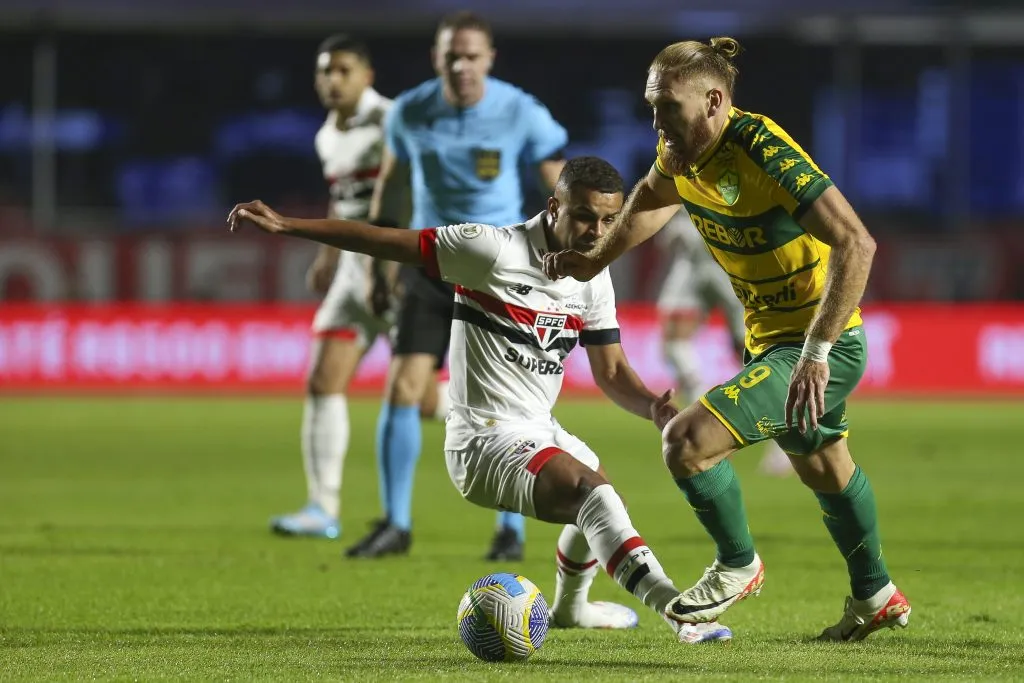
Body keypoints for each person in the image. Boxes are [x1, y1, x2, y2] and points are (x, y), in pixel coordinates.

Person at [228, 156, 733, 645]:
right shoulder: (491, 250)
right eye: (583, 216)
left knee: (603, 496)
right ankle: (677, 611)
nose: (597, 232)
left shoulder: (592, 276)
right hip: (483, 440)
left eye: (608, 220)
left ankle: (571, 609)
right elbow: (384, 241)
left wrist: (651, 406)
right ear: (554, 207)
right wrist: (288, 226)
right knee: (593, 497)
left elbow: (613, 369)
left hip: (538, 427)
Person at [542, 38, 911, 641]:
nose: (657, 121)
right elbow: (648, 204)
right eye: (652, 106)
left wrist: (816, 351)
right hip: (770, 344)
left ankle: (738, 563)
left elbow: (857, 243)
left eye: (669, 108)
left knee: (686, 441)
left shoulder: (761, 148)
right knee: (824, 465)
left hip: (819, 346)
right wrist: (590, 261)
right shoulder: (680, 155)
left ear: (714, 101)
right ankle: (876, 594)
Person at [352, 11, 570, 560]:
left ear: (489, 59)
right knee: (403, 387)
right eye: (452, 56)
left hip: (497, 272)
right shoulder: (409, 112)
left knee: (505, 402)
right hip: (430, 267)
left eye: (472, 56)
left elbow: (560, 188)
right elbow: (392, 190)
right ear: (437, 58)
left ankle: (510, 532)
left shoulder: (520, 111)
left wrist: (570, 246)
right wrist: (378, 268)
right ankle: (396, 524)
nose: (461, 66)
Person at [269, 35, 449, 540]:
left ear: (367, 76)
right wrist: (327, 256)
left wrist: (394, 264)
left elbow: (410, 193)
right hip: (352, 270)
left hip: (395, 265)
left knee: (424, 401)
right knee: (323, 379)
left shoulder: (393, 120)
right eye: (325, 71)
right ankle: (322, 508)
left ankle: (502, 420)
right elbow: (342, 200)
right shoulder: (328, 135)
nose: (332, 81)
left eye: (343, 70)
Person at [656, 209, 792, 476]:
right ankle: (703, 420)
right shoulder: (675, 173)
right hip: (692, 264)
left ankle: (785, 436)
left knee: (753, 354)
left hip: (730, 261)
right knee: (673, 342)